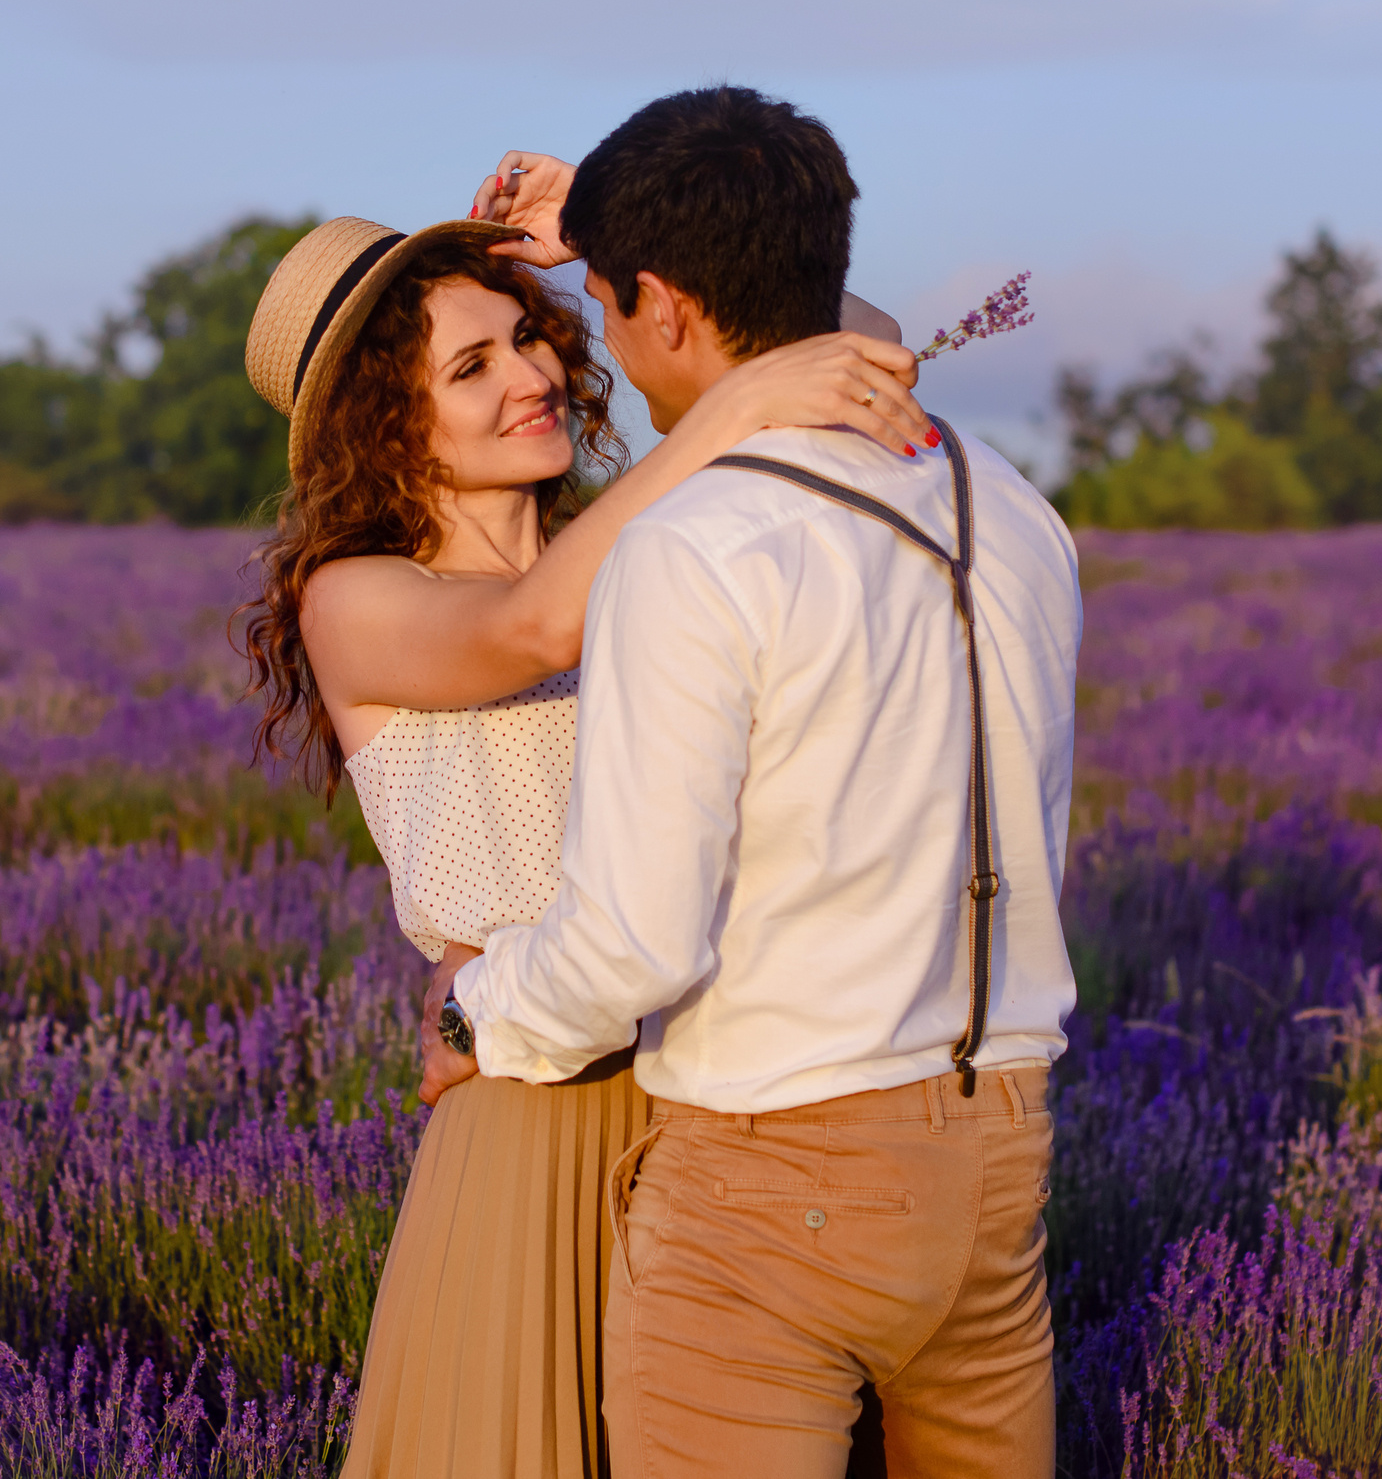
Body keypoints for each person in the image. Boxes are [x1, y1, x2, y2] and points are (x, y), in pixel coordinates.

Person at [420, 86, 1084, 1477]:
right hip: (1001, 1158)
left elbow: (634, 939)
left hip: (772, 1178)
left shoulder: (698, 545)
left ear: (660, 303)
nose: (599, 338)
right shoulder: (1012, 503)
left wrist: (480, 1010)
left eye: (602, 302)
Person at [235, 196, 935, 1478]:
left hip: (733, 1102)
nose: (534, 372)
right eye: (471, 364)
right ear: (385, 426)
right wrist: (725, 411)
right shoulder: (358, 595)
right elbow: (528, 632)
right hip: (538, 1122)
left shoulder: (643, 550)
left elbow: (867, 349)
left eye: (527, 335)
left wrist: (628, 228)